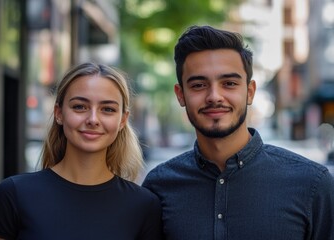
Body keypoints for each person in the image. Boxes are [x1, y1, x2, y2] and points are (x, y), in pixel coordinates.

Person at [142, 25, 334, 240]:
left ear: (249, 92)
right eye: (198, 85)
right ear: (181, 95)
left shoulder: (312, 185)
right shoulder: (158, 187)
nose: (214, 96)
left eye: (229, 83)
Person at [0, 62, 163, 240]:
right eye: (80, 106)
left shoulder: (144, 206)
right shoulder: (14, 194)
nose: (93, 119)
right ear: (59, 113)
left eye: (107, 109)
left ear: (123, 120)